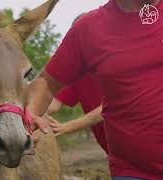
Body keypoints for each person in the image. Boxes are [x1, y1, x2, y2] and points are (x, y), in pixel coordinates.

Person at [27, 0, 163, 179]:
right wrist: (27, 119)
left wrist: (67, 126)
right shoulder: (89, 28)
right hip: (135, 172)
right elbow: (46, 84)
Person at [45, 74, 107, 153]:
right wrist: (30, 113)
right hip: (112, 148)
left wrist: (66, 127)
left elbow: (110, 107)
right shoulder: (78, 75)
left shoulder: (116, 67)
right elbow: (53, 105)